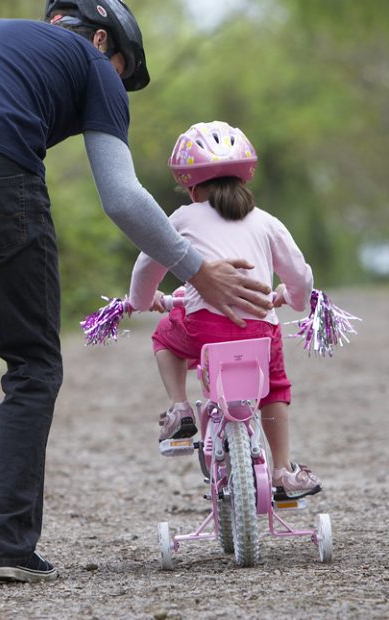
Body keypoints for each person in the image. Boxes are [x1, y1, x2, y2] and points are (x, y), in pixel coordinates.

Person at [0, 2, 273, 584]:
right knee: (31, 361)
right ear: (103, 40)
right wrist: (197, 269)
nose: (115, 87)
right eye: (123, 71)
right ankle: (5, 542)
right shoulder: (94, 62)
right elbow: (121, 197)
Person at [127, 120, 322, 501]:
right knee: (274, 388)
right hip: (260, 331)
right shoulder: (267, 222)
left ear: (190, 184)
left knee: (166, 335)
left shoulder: (182, 218)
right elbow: (300, 275)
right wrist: (293, 298)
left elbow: (147, 265)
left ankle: (180, 407)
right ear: (245, 179)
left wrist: (140, 300)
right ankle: (282, 469)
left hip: (204, 329)